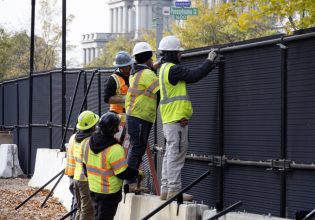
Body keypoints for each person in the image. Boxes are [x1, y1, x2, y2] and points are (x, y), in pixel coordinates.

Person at [158, 35, 218, 201]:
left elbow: (192, 76)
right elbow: (194, 75)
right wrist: (209, 61)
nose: (180, 56)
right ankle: (174, 191)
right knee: (176, 157)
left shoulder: (163, 69)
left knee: (169, 156)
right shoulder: (173, 69)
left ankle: (165, 189)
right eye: (178, 53)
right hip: (176, 121)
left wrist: (210, 67)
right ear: (171, 53)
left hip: (170, 120)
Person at [82, 112, 143, 220]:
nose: (119, 129)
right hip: (109, 194)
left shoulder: (87, 143)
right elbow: (122, 173)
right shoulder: (115, 149)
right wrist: (137, 172)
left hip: (93, 190)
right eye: (117, 127)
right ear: (114, 129)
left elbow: (84, 167)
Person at [124, 42, 160, 191]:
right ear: (148, 58)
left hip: (137, 116)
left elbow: (149, 71)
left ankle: (132, 181)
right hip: (139, 116)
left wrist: (155, 67)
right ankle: (130, 182)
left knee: (136, 148)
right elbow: (160, 89)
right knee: (137, 148)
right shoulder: (146, 74)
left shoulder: (137, 72)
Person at [72, 110, 99, 220]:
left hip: (77, 177)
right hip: (85, 180)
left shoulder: (76, 138)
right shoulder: (89, 141)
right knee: (87, 211)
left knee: (80, 209)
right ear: (92, 126)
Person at [103, 51, 134, 145]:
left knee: (129, 146)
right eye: (128, 66)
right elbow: (107, 98)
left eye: (130, 65)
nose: (130, 67)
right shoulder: (113, 79)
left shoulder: (132, 77)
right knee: (119, 144)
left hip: (131, 118)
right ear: (121, 67)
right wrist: (125, 99)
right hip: (117, 121)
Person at [64, 134, 77, 220]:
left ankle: (72, 218)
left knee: (75, 198)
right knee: (77, 201)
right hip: (77, 174)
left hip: (71, 172)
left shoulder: (73, 137)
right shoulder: (82, 139)